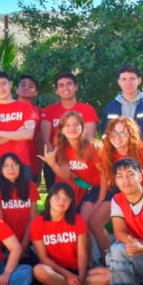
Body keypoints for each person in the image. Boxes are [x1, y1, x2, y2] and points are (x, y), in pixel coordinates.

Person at [39, 111, 112, 259]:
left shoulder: (92, 146)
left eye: (76, 124)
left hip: (101, 187)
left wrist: (101, 199)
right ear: (62, 129)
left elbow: (105, 175)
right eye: (67, 125)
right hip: (85, 188)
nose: (72, 128)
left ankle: (108, 260)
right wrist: (52, 163)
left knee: (87, 223)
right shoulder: (62, 148)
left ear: (82, 127)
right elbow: (66, 175)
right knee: (80, 225)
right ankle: (88, 262)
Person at [31, 182, 111, 285]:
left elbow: (82, 254)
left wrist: (81, 277)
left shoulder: (77, 220)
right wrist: (68, 276)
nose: (61, 202)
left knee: (110, 275)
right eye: (57, 197)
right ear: (49, 199)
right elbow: (43, 258)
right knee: (39, 270)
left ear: (71, 203)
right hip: (54, 271)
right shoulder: (38, 223)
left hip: (76, 270)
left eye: (66, 199)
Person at [0, 71, 38, 184]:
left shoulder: (26, 107)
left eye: (3, 84)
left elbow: (28, 134)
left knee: (24, 200)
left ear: (10, 84)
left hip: (21, 162)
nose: (1, 88)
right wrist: (17, 133)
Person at [0, 153, 40, 264]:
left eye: (14, 164)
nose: (11, 168)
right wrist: (14, 247)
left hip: (27, 241)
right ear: (0, 169)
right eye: (6, 166)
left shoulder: (30, 186)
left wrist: (24, 245)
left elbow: (32, 218)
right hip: (5, 243)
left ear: (20, 167)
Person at [103, 64, 143, 149]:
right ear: (119, 82)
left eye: (132, 79)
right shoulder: (111, 107)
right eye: (124, 79)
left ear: (139, 81)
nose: (128, 83)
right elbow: (106, 134)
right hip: (118, 156)